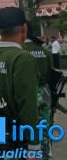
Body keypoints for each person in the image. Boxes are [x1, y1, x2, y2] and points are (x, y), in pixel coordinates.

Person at [0, 7, 39, 157]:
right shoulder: (23, 59)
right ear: (24, 28)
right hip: (16, 138)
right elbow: (27, 104)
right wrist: (34, 146)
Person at [23, 24, 55, 159]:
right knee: (45, 126)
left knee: (26, 126)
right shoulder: (45, 51)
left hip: (26, 92)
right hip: (45, 93)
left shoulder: (21, 51)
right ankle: (46, 152)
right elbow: (51, 74)